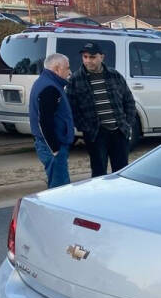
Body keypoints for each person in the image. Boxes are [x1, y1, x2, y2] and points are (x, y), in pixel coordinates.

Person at [67, 41, 136, 177]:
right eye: (85, 57)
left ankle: (121, 197)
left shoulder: (114, 75)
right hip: (95, 134)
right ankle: (100, 197)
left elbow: (129, 101)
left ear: (101, 57)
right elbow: (72, 108)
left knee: (121, 172)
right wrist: (85, 127)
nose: (88, 61)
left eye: (92, 57)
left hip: (119, 131)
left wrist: (127, 123)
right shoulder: (75, 79)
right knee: (99, 173)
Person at [28, 53, 74, 188]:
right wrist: (55, 149)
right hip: (53, 147)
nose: (70, 72)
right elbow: (44, 121)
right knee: (60, 188)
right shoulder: (50, 87)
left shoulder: (47, 83)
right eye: (67, 68)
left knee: (58, 186)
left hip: (51, 145)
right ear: (56, 68)